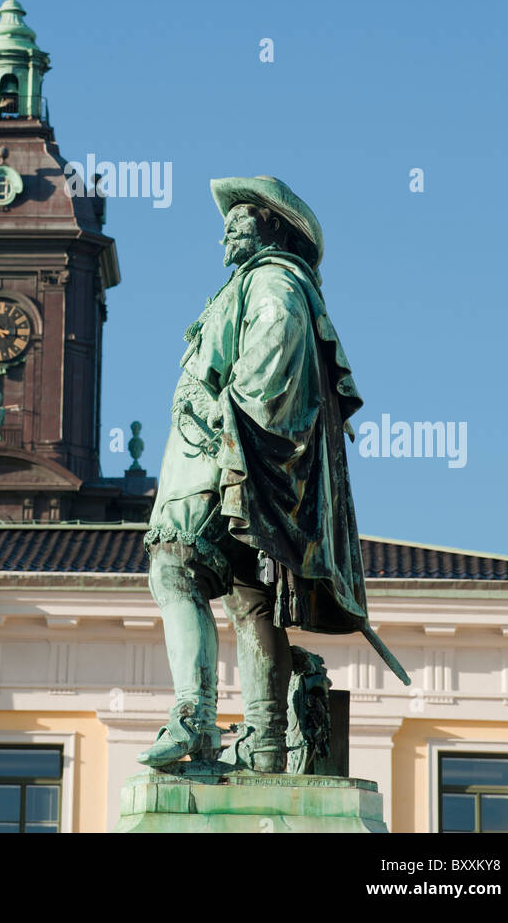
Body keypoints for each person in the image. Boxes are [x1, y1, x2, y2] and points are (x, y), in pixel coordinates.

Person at [140, 176, 408, 772]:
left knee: (176, 569)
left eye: (242, 217)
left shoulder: (272, 281)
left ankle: (193, 719)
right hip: (227, 458)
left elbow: (276, 345)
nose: (228, 228)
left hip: (219, 456)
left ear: (275, 227)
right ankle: (264, 740)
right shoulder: (249, 283)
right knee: (248, 596)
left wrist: (221, 412)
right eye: (228, 219)